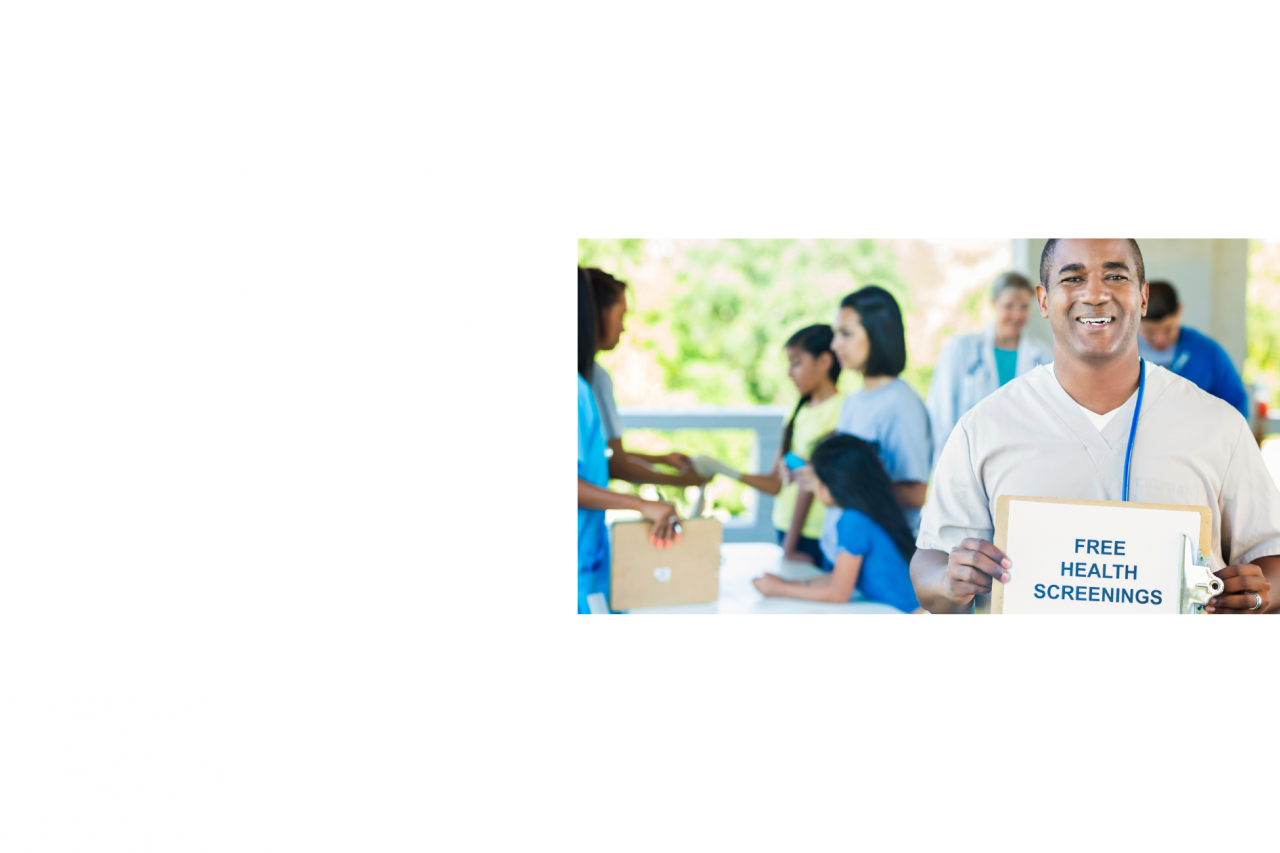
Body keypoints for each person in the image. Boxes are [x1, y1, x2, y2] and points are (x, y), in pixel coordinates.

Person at [911, 239, 1280, 615]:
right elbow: (929, 562)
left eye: (1115, 276)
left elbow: (1272, 561)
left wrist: (1257, 595)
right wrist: (947, 580)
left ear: (1143, 296)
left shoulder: (1217, 425)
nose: (1096, 294)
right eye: (1073, 278)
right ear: (1043, 300)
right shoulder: (984, 426)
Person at [799, 286, 932, 569]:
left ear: (879, 332)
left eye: (846, 334)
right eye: (836, 334)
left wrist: (840, 488)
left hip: (876, 564)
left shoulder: (902, 404)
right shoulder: (853, 402)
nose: (834, 345)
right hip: (839, 555)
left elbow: (916, 493)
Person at [577, 269, 683, 614]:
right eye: (620, 315)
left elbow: (596, 461)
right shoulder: (579, 388)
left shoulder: (585, 384)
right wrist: (642, 504)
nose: (623, 326)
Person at [753, 435, 921, 611]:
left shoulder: (853, 520)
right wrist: (789, 583)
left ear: (832, 483)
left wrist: (780, 590)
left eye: (816, 476)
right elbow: (840, 576)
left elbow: (838, 594)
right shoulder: (869, 511)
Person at [731, 325, 844, 565]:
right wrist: (727, 471)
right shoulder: (797, 412)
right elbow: (775, 483)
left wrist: (789, 547)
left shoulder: (842, 411)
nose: (789, 373)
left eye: (796, 363)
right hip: (784, 526)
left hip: (814, 534)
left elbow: (809, 481)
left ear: (825, 361)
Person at [585, 268, 709, 488]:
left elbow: (603, 457)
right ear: (595, 313)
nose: (623, 328)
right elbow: (616, 464)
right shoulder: (595, 380)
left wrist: (662, 460)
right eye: (620, 316)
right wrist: (680, 481)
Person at [926, 271, 1050, 465]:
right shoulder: (960, 349)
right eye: (1009, 306)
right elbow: (942, 413)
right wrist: (946, 465)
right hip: (967, 460)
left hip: (1023, 462)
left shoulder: (1044, 356)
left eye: (1024, 307)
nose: (1017, 315)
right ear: (994, 303)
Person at [1137, 279, 1248, 418]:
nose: (1160, 339)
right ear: (1134, 314)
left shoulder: (1208, 353)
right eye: (1150, 332)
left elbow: (1236, 406)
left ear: (1179, 310)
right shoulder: (1118, 354)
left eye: (1168, 329)